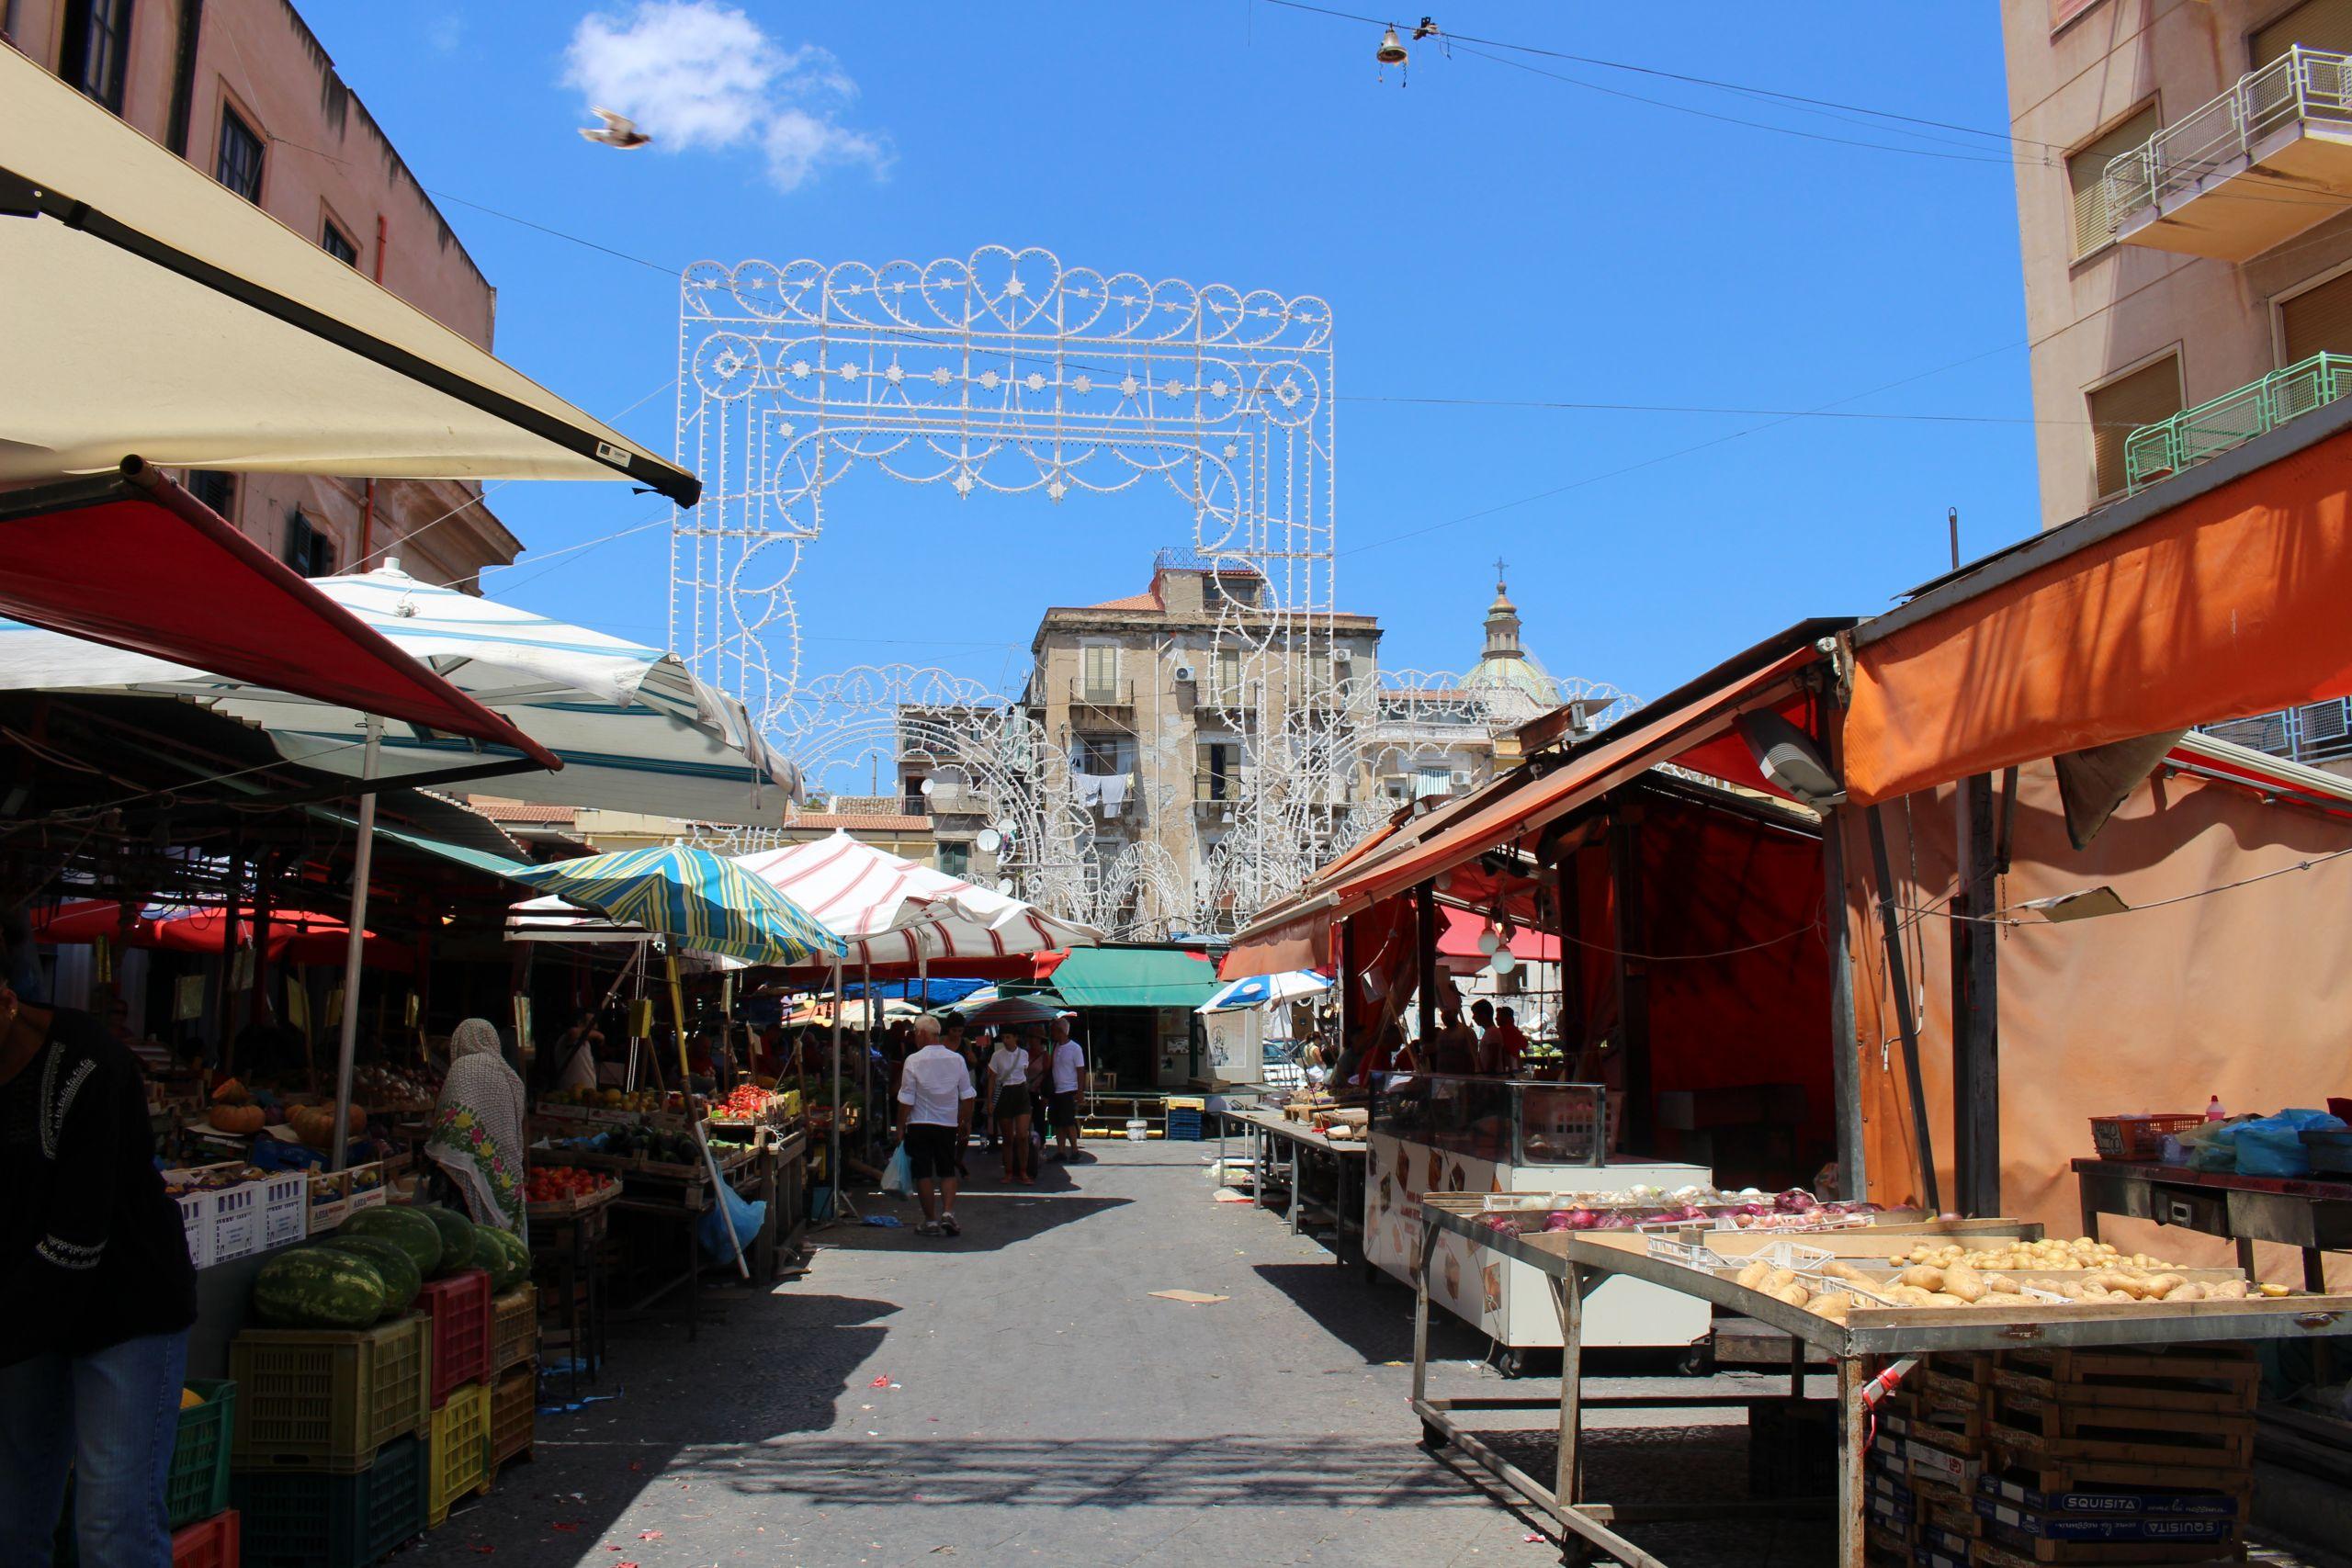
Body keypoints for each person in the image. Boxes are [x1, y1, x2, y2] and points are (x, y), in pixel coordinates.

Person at [0, 923, 199, 1567]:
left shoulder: (87, 1067)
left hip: (124, 1305)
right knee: (9, 1516)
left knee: (111, 1521)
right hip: (24, 1308)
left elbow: (76, 1240)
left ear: (5, 999)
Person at [425, 1018, 529, 1235]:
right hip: (503, 1167)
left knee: (463, 1234)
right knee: (494, 1240)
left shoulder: (463, 1066)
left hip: (461, 1165)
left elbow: (446, 1120)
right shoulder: (508, 1075)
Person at [894, 1014, 975, 1237]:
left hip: (919, 1124)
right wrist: (965, 1121)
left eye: (915, 1034)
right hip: (947, 1124)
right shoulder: (956, 1059)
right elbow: (967, 1096)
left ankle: (930, 1221)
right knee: (947, 1170)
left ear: (921, 1034)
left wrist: (900, 1127)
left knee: (923, 1173)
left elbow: (906, 1099)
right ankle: (948, 1213)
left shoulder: (913, 1060)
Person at [988, 1028, 1034, 1185]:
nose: (1006, 1040)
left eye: (1008, 1037)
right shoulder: (997, 1056)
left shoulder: (1024, 1054)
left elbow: (1026, 1074)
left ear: (1015, 1037)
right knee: (1007, 1137)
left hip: (1020, 1092)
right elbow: (992, 1079)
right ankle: (1008, 1171)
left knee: (1022, 1135)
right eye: (1004, 1037)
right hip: (1005, 1093)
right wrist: (990, 1101)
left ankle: (1023, 1171)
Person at [1046, 1015, 1086, 1163]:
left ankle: (1075, 1149)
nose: (1052, 1033)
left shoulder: (1075, 1048)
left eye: (1054, 1030)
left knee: (1068, 1121)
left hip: (1069, 1089)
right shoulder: (1056, 1047)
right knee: (1057, 1122)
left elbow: (1081, 1070)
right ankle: (1061, 1151)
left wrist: (1080, 1091)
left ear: (1061, 1031)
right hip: (1056, 1090)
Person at [1484, 1005, 1530, 1077]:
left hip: (1507, 1069)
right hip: (1517, 1067)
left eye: (1498, 1016)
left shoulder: (1500, 1031)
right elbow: (1526, 1047)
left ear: (1506, 1017)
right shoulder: (1516, 1031)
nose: (1496, 1018)